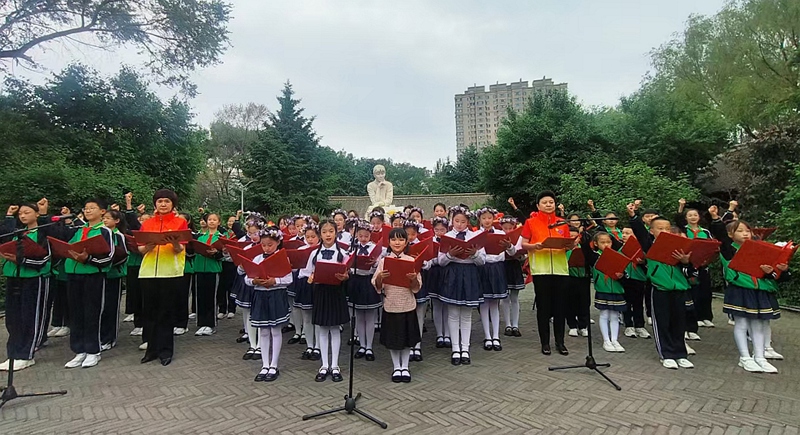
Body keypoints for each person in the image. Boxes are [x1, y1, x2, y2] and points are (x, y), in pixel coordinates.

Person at [708, 205, 789, 373]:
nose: (745, 234)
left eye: (747, 231)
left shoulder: (758, 249)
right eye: (740, 231)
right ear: (730, 235)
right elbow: (721, 235)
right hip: (740, 289)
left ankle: (760, 357)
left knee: (758, 324)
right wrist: (715, 218)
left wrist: (771, 271)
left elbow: (768, 272)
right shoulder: (729, 249)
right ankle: (744, 357)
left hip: (758, 290)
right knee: (742, 323)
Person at [628, 204, 695, 370]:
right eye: (660, 228)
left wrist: (686, 262)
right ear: (651, 231)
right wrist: (633, 216)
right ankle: (666, 354)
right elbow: (640, 233)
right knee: (662, 323)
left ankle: (680, 354)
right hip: (659, 289)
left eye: (667, 228)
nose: (664, 231)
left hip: (679, 289)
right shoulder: (650, 245)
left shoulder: (679, 246)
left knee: (679, 323)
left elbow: (689, 271)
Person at [62, 198, 116, 369]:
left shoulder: (105, 231)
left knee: (92, 313)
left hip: (93, 276)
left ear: (102, 212)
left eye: (92, 208)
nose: (88, 211)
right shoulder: (78, 230)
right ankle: (79, 350)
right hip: (73, 274)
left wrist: (88, 259)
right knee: (76, 314)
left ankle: (93, 351)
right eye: (86, 208)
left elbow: (109, 257)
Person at [0, 200, 53, 371]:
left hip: (34, 278)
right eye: (20, 213)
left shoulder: (42, 233)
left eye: (27, 212)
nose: (22, 216)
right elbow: (4, 236)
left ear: (37, 214)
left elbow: (45, 258)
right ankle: (13, 354)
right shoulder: (18, 233)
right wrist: (9, 216)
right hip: (14, 277)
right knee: (13, 318)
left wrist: (21, 260)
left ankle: (26, 355)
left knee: (29, 317)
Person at [138, 189, 189, 366]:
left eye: (167, 201)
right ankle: (151, 350)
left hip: (170, 271)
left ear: (173, 204)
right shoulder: (147, 223)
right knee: (149, 312)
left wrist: (174, 242)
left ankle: (166, 351)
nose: (163, 204)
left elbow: (180, 248)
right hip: (148, 271)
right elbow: (141, 249)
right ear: (155, 204)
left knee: (166, 312)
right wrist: (150, 245)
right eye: (160, 201)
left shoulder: (180, 222)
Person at [520, 191, 572, 356]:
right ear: (538, 206)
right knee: (543, 307)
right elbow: (523, 244)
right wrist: (535, 246)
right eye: (545, 202)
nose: (549, 204)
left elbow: (567, 244)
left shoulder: (562, 223)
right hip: (541, 269)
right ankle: (545, 343)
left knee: (560, 307)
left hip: (560, 269)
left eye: (551, 202)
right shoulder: (531, 222)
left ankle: (560, 342)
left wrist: (570, 245)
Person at [433, 205, 485, 366]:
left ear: (468, 221)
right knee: (453, 313)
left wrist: (474, 254)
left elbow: (482, 261)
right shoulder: (447, 236)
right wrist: (450, 254)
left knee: (467, 314)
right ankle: (455, 348)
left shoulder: (474, 236)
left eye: (463, 221)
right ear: (452, 221)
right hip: (453, 275)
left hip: (469, 274)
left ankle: (465, 348)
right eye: (457, 221)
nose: (460, 224)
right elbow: (441, 261)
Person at [373, 228, 422, 383]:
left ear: (406, 242)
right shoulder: (384, 261)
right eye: (394, 239)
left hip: (407, 304)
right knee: (393, 339)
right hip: (391, 304)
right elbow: (376, 285)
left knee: (406, 339)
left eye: (401, 239)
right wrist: (380, 277)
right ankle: (396, 367)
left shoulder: (411, 261)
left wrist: (413, 279)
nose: (397, 243)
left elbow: (417, 287)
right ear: (389, 242)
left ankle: (405, 367)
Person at [245, 226, 293, 382]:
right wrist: (254, 281)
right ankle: (264, 364)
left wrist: (275, 281)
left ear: (278, 242)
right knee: (264, 331)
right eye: (263, 245)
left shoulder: (282, 258)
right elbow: (247, 278)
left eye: (270, 245)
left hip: (276, 295)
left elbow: (289, 279)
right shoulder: (257, 258)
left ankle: (274, 364)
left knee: (275, 330)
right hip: (260, 295)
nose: (266, 248)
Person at [306, 219, 350, 382]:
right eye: (324, 232)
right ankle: (324, 365)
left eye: (331, 231)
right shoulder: (314, 254)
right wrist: (311, 278)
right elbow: (306, 272)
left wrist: (345, 277)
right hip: (321, 292)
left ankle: (335, 365)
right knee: (323, 329)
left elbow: (347, 273)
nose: (328, 235)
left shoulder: (343, 253)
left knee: (335, 328)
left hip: (336, 292)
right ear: (320, 234)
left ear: (336, 233)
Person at [580, 231, 627, 352]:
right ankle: (606, 340)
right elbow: (586, 249)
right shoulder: (595, 256)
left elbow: (625, 272)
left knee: (615, 315)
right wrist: (584, 234)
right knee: (604, 314)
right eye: (602, 242)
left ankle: (615, 340)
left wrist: (621, 275)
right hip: (603, 289)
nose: (606, 244)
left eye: (608, 242)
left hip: (617, 289)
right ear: (596, 244)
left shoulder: (617, 256)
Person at [475, 207, 514, 352]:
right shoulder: (475, 235)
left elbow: (513, 252)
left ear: (494, 219)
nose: (487, 221)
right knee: (484, 303)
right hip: (483, 269)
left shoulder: (500, 233)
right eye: (484, 218)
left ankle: (496, 336)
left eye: (489, 218)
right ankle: (487, 336)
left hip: (497, 268)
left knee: (495, 303)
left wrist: (509, 246)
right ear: (479, 219)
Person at [676, 198, 714, 331]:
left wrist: (707, 259)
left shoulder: (705, 231)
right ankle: (696, 318)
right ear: (686, 218)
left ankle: (706, 317)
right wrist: (681, 207)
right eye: (690, 215)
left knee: (706, 292)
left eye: (695, 215)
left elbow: (712, 247)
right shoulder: (684, 230)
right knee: (693, 292)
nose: (693, 217)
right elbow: (677, 220)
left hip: (703, 264)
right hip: (689, 264)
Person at [348, 220, 381, 362]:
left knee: (370, 317)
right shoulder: (352, 248)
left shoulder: (375, 248)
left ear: (370, 235)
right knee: (359, 316)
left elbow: (379, 266)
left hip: (369, 282)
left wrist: (374, 264)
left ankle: (369, 347)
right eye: (360, 236)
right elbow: (347, 264)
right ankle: (362, 345)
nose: (363, 239)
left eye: (366, 236)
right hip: (356, 282)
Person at [233, 215, 266, 361]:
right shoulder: (247, 248)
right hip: (249, 284)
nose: (253, 236)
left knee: (259, 316)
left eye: (256, 233)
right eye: (250, 233)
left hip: (262, 285)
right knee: (248, 314)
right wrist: (241, 266)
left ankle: (260, 345)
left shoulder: (266, 247)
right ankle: (252, 345)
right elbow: (240, 271)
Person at [100, 209, 128, 351]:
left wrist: (108, 262)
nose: (105, 220)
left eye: (108, 218)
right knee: (101, 307)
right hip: (100, 275)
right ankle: (100, 336)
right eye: (103, 218)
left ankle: (110, 338)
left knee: (111, 307)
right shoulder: (100, 233)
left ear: (117, 221)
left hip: (113, 275)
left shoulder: (118, 235)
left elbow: (123, 255)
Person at [294, 222, 321, 361]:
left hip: (318, 284)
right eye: (307, 237)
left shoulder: (321, 250)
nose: (310, 239)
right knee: (307, 317)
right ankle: (309, 345)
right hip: (304, 283)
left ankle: (318, 346)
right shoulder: (301, 249)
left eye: (313, 237)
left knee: (318, 317)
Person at [193, 213, 224, 336]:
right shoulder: (200, 237)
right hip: (199, 268)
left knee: (211, 297)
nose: (211, 221)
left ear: (219, 222)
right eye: (209, 219)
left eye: (214, 220)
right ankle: (201, 323)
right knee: (200, 297)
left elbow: (225, 256)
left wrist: (216, 253)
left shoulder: (221, 237)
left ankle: (211, 324)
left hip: (213, 269)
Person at [620, 227, 650, 339]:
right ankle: (628, 325)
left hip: (639, 278)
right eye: (623, 233)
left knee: (638, 303)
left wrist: (643, 261)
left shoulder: (641, 248)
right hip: (626, 278)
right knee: (627, 303)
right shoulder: (619, 247)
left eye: (628, 233)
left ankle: (640, 325)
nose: (624, 235)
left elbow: (648, 263)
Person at [499, 216, 526, 338]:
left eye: (510, 228)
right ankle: (507, 325)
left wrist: (520, 254)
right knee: (505, 297)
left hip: (514, 266)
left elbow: (521, 252)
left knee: (514, 297)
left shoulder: (518, 237)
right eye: (505, 228)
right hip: (503, 266)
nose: (508, 230)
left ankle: (515, 325)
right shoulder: (498, 236)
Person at [122, 194, 144, 338]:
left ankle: (145, 324)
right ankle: (138, 323)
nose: (142, 222)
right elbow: (130, 225)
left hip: (146, 265)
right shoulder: (131, 232)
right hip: (133, 265)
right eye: (141, 219)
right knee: (134, 295)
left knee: (144, 296)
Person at [427, 216, 450, 348]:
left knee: (446, 304)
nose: (439, 232)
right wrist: (435, 259)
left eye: (442, 230)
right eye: (437, 230)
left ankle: (447, 333)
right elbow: (428, 258)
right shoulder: (430, 241)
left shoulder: (450, 239)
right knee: (436, 304)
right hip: (434, 273)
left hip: (447, 272)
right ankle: (439, 334)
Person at [566, 226, 590, 338]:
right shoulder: (564, 250)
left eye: (575, 237)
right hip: (569, 278)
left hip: (584, 278)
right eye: (570, 237)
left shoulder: (584, 249)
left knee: (584, 302)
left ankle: (583, 326)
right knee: (570, 302)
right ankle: (572, 326)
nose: (573, 239)